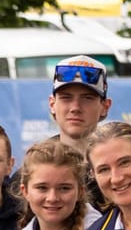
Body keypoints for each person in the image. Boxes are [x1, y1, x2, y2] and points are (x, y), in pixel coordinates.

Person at [45, 55, 112, 207]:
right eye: (66, 98)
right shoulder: (34, 167)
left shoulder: (118, 170)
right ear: (52, 104)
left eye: (87, 98)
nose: (75, 108)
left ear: (105, 107)